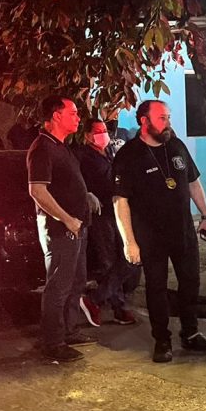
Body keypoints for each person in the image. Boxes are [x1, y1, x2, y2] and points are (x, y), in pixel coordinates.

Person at [113, 100, 206, 363]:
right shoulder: (128, 155)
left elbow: (193, 183)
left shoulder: (176, 146)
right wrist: (129, 242)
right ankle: (162, 340)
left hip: (183, 231)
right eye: (162, 118)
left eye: (168, 117)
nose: (168, 123)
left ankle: (191, 333)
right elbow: (120, 201)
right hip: (150, 236)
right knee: (156, 287)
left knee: (190, 282)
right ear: (144, 121)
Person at [27, 96, 95, 363]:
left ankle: (69, 331)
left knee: (76, 281)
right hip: (60, 230)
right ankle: (53, 342)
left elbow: (66, 184)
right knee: (58, 286)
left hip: (77, 227)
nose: (78, 118)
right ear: (56, 115)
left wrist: (85, 196)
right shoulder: (42, 148)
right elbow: (37, 191)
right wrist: (66, 219)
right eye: (73, 113)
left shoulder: (61, 146)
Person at [76, 119, 137, 327]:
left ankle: (96, 299)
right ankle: (118, 307)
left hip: (117, 210)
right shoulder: (82, 156)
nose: (103, 134)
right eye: (97, 131)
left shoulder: (110, 151)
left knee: (129, 258)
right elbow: (77, 181)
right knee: (108, 261)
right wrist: (86, 194)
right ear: (87, 135)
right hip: (100, 214)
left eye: (104, 130)